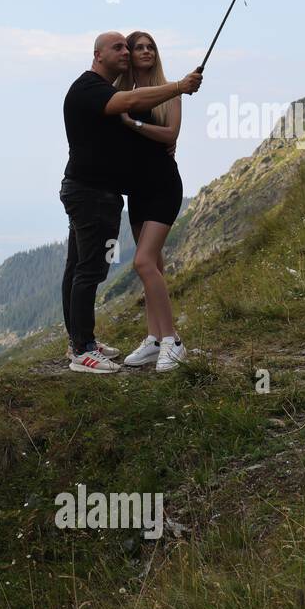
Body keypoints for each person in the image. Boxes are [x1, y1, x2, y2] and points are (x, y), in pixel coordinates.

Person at [60, 32, 201, 374]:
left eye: (137, 46)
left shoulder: (124, 95)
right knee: (89, 268)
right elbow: (125, 105)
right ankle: (84, 347)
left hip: (138, 190)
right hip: (99, 193)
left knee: (122, 264)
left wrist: (144, 122)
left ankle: (162, 339)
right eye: (123, 47)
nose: (131, 52)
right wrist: (180, 86)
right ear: (98, 55)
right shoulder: (97, 91)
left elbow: (165, 134)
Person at [113, 31, 186, 371]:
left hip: (163, 185)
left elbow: (170, 134)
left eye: (150, 47)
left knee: (142, 262)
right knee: (154, 266)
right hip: (137, 189)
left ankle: (173, 340)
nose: (145, 51)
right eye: (138, 47)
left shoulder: (171, 90)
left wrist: (134, 123)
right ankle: (154, 340)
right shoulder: (120, 95)